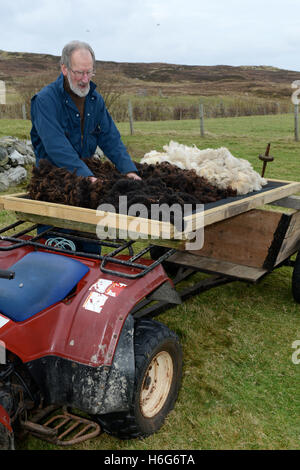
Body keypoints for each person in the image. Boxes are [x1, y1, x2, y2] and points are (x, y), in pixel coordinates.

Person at [30, 40, 141, 182]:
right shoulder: (45, 101)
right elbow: (55, 146)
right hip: (52, 178)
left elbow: (110, 137)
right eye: (80, 73)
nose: (85, 79)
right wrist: (85, 176)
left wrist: (128, 170)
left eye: (89, 72)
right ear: (65, 69)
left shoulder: (95, 99)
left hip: (86, 173)